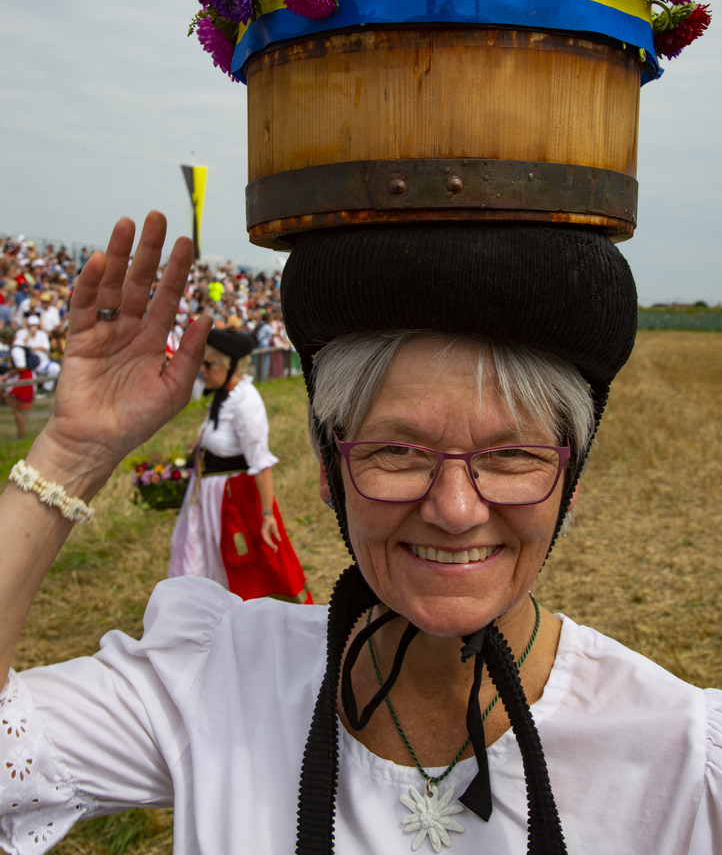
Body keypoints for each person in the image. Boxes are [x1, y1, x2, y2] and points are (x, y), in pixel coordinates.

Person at [0, 212, 720, 855]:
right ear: (329, 472)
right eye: (397, 452)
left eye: (511, 456)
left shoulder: (683, 761)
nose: (456, 509)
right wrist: (73, 454)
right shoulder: (217, 683)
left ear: (570, 485)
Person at [168, 325, 310, 602]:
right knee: (199, 559)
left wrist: (267, 515)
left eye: (209, 364)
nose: (203, 370)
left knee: (241, 569)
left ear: (231, 366)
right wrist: (201, 443)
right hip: (207, 500)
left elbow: (260, 461)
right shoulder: (224, 396)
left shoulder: (246, 401)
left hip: (233, 503)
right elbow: (221, 438)